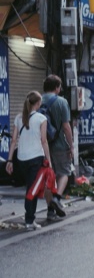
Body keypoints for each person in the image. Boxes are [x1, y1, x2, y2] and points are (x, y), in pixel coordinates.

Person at [5, 91, 53, 230]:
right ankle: (29, 220)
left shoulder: (19, 118)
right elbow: (44, 141)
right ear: (38, 104)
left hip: (21, 158)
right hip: (35, 157)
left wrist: (9, 160)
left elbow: (14, 141)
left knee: (30, 187)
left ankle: (30, 219)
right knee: (32, 189)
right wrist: (48, 159)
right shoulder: (41, 118)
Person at [42, 75, 72, 219]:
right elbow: (66, 127)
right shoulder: (62, 102)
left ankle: (50, 211)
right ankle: (57, 198)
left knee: (48, 177)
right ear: (56, 88)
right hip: (59, 145)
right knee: (64, 173)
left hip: (42, 147)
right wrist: (71, 146)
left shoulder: (36, 101)